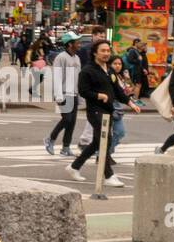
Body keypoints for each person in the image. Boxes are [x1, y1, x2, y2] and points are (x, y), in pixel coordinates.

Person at [68, 39, 126, 187]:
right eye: (103, 51)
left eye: (108, 51)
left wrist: (130, 102)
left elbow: (117, 90)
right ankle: (108, 175)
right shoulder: (88, 70)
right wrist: (99, 95)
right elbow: (83, 91)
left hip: (108, 110)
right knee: (105, 140)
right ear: (95, 53)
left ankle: (74, 167)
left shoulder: (109, 70)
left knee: (97, 142)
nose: (106, 53)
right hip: (95, 111)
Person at [44, 32, 82, 156]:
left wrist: (80, 95)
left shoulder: (77, 58)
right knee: (67, 119)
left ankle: (66, 147)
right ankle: (51, 139)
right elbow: (57, 77)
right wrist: (58, 94)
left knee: (72, 122)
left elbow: (78, 77)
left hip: (74, 93)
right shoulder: (61, 57)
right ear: (70, 44)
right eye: (77, 42)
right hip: (64, 93)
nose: (79, 44)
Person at [107, 55, 141, 161]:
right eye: (115, 64)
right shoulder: (110, 75)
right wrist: (130, 103)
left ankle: (106, 153)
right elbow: (117, 92)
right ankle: (104, 155)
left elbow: (128, 90)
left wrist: (127, 82)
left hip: (118, 107)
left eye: (120, 64)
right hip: (110, 105)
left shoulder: (120, 76)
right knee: (106, 134)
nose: (118, 66)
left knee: (120, 132)